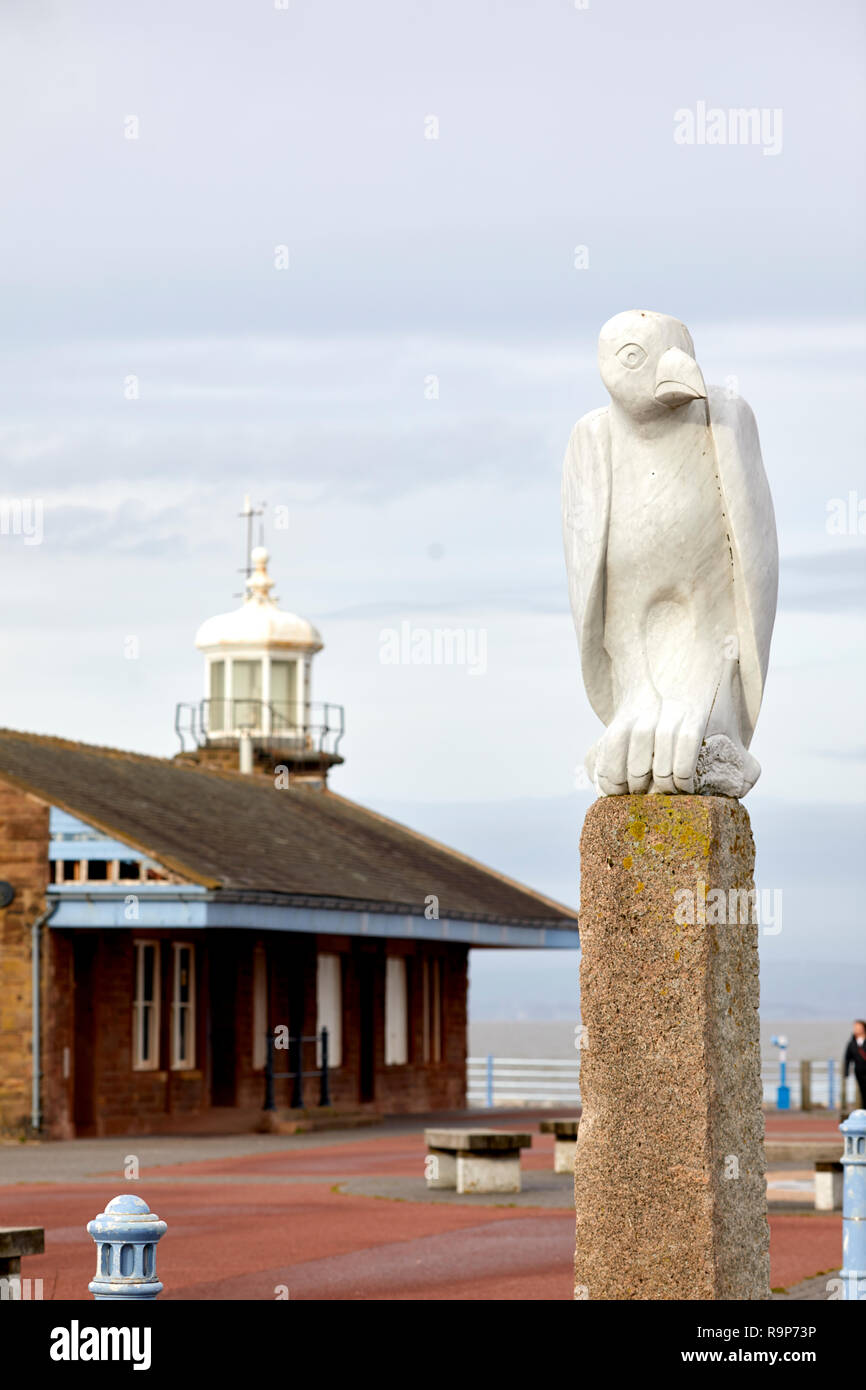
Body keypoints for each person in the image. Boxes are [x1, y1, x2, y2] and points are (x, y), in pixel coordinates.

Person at [843, 1020, 866, 1110]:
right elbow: (847, 1058)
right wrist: (846, 1072)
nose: (855, 1029)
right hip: (859, 1072)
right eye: (855, 1027)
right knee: (863, 1092)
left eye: (858, 1027)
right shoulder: (852, 1044)